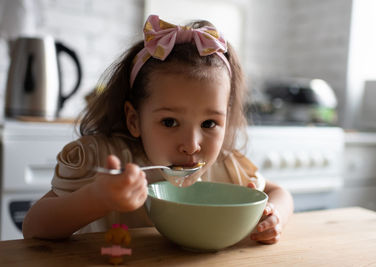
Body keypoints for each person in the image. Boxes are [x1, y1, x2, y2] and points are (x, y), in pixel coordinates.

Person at [22, 15, 293, 245]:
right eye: (170, 122)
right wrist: (98, 198)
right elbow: (34, 227)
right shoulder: (103, 161)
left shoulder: (226, 168)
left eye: (209, 124)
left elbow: (280, 193)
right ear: (134, 120)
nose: (191, 145)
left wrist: (273, 215)